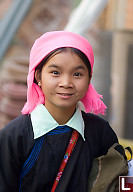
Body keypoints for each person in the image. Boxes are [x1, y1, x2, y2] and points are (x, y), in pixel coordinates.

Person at [0, 31, 118, 192]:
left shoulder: (101, 133)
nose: (66, 82)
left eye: (77, 74)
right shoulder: (14, 136)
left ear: (89, 79)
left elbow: (122, 181)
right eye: (55, 72)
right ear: (38, 76)